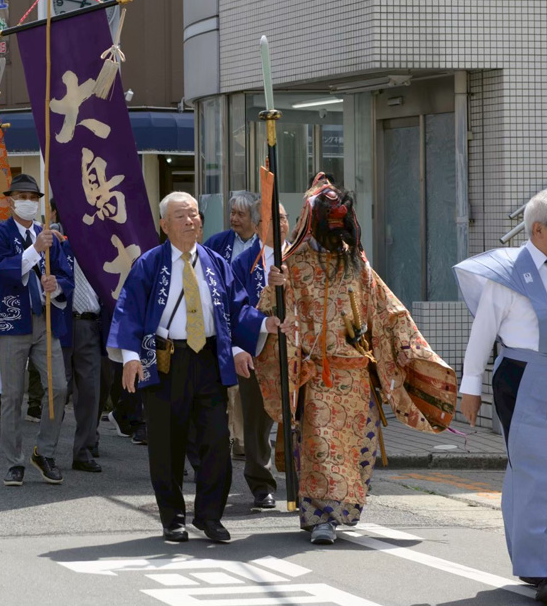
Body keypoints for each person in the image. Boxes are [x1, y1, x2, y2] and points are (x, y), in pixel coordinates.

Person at [258, 175, 455, 546]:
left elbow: (387, 311)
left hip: (356, 375)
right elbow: (272, 316)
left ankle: (341, 511)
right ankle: (320, 517)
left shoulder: (356, 261)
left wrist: (415, 352)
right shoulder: (292, 264)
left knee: (353, 450)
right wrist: (276, 288)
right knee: (318, 447)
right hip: (316, 376)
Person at [455, 189, 547, 604]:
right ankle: (542, 569)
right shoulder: (508, 273)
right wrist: (470, 388)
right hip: (522, 379)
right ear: (538, 229)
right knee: (540, 473)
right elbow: (482, 333)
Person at [108, 191, 271, 543]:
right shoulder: (149, 264)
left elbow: (237, 308)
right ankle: (173, 517)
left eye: (194, 215)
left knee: (216, 442)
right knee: (167, 443)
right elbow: (130, 311)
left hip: (208, 359)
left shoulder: (215, 262)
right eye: (181, 216)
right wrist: (132, 357)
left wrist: (261, 325)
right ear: (164, 224)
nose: (190, 222)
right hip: (166, 359)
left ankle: (209, 515)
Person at [0, 173, 73, 486]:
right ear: (10, 201)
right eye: (22, 197)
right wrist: (35, 250)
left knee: (59, 386)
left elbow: (66, 275)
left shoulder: (49, 236)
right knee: (12, 394)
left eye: (33, 198)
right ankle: (14, 460)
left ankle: (44, 451)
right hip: (11, 322)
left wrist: (57, 285)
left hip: (45, 320)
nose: (28, 203)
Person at [229, 203, 291, 510]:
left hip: (298, 352)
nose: (279, 223)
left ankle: (304, 481)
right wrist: (241, 346)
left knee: (302, 417)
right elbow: (234, 308)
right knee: (256, 421)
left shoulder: (303, 258)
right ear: (257, 225)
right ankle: (261, 483)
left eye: (282, 217)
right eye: (271, 218)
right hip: (259, 347)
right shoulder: (244, 263)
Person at [64, 240, 103, 474]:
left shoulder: (101, 248)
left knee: (90, 390)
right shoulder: (59, 247)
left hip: (91, 324)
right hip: (63, 323)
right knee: (59, 389)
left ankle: (84, 450)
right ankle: (46, 450)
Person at [203, 191, 261, 264]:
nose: (234, 219)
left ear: (253, 218)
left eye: (240, 214)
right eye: (233, 213)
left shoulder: (264, 242)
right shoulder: (217, 242)